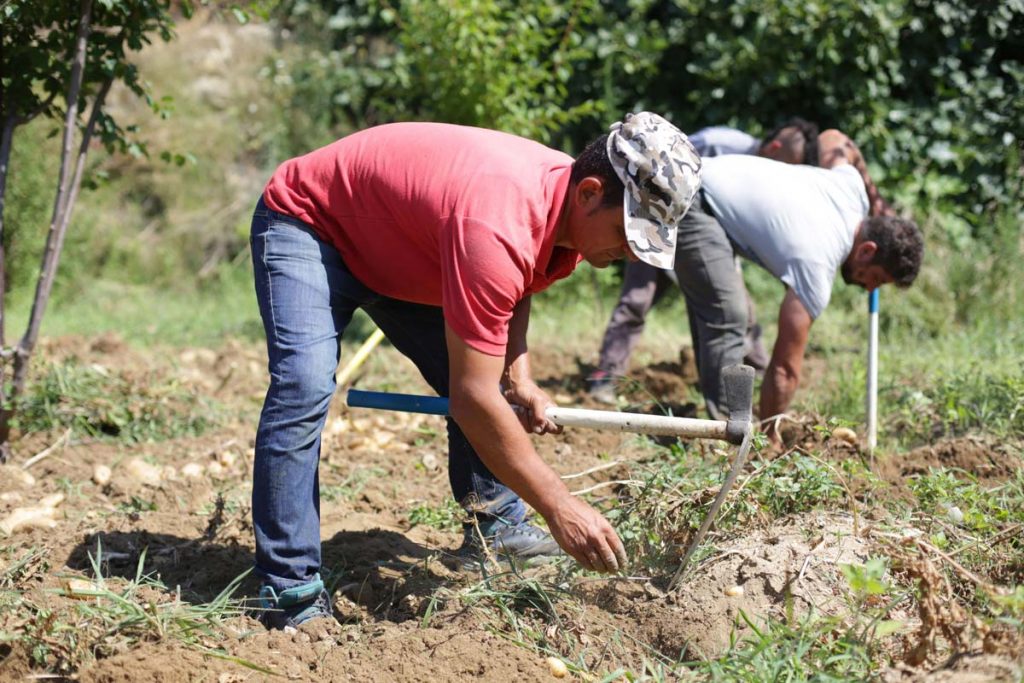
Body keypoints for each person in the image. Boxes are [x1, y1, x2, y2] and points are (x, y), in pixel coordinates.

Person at [249, 112, 702, 628]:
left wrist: (518, 375)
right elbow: (473, 395)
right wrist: (560, 506)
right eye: (628, 233)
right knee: (304, 386)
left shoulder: (566, 202)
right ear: (591, 194)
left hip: (406, 249)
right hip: (311, 224)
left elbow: (520, 283)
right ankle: (288, 586)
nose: (628, 254)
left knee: (487, 385)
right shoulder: (500, 220)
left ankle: (497, 528)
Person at [656, 129, 922, 437]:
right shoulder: (818, 265)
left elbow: (834, 138)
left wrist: (875, 197)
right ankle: (727, 437)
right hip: (694, 200)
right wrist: (773, 437)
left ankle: (727, 422)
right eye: (875, 278)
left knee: (719, 306)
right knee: (728, 315)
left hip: (699, 181)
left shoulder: (853, 190)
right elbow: (784, 369)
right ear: (866, 251)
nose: (870, 288)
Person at [587, 118, 820, 404]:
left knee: (738, 308)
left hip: (709, 243)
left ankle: (756, 376)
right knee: (637, 299)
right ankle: (606, 376)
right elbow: (663, 165)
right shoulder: (718, 143)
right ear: (773, 147)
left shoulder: (761, 172)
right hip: (656, 225)